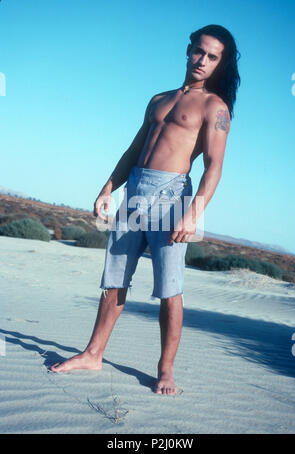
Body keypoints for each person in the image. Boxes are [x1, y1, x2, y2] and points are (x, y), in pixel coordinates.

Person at [50, 24, 241, 395]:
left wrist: (194, 213)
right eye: (198, 51)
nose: (202, 60)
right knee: (114, 278)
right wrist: (108, 187)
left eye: (212, 56)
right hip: (136, 188)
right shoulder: (159, 99)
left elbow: (214, 167)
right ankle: (93, 353)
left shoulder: (215, 108)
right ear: (188, 51)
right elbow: (134, 149)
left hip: (173, 198)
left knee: (170, 288)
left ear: (220, 63)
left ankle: (165, 370)